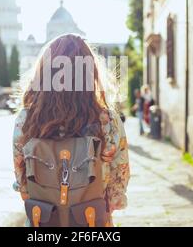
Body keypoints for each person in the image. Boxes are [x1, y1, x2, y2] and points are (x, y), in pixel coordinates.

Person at [12, 34, 130, 227]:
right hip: (92, 223)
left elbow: (23, 187)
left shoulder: (26, 120)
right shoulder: (108, 121)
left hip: (43, 222)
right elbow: (118, 191)